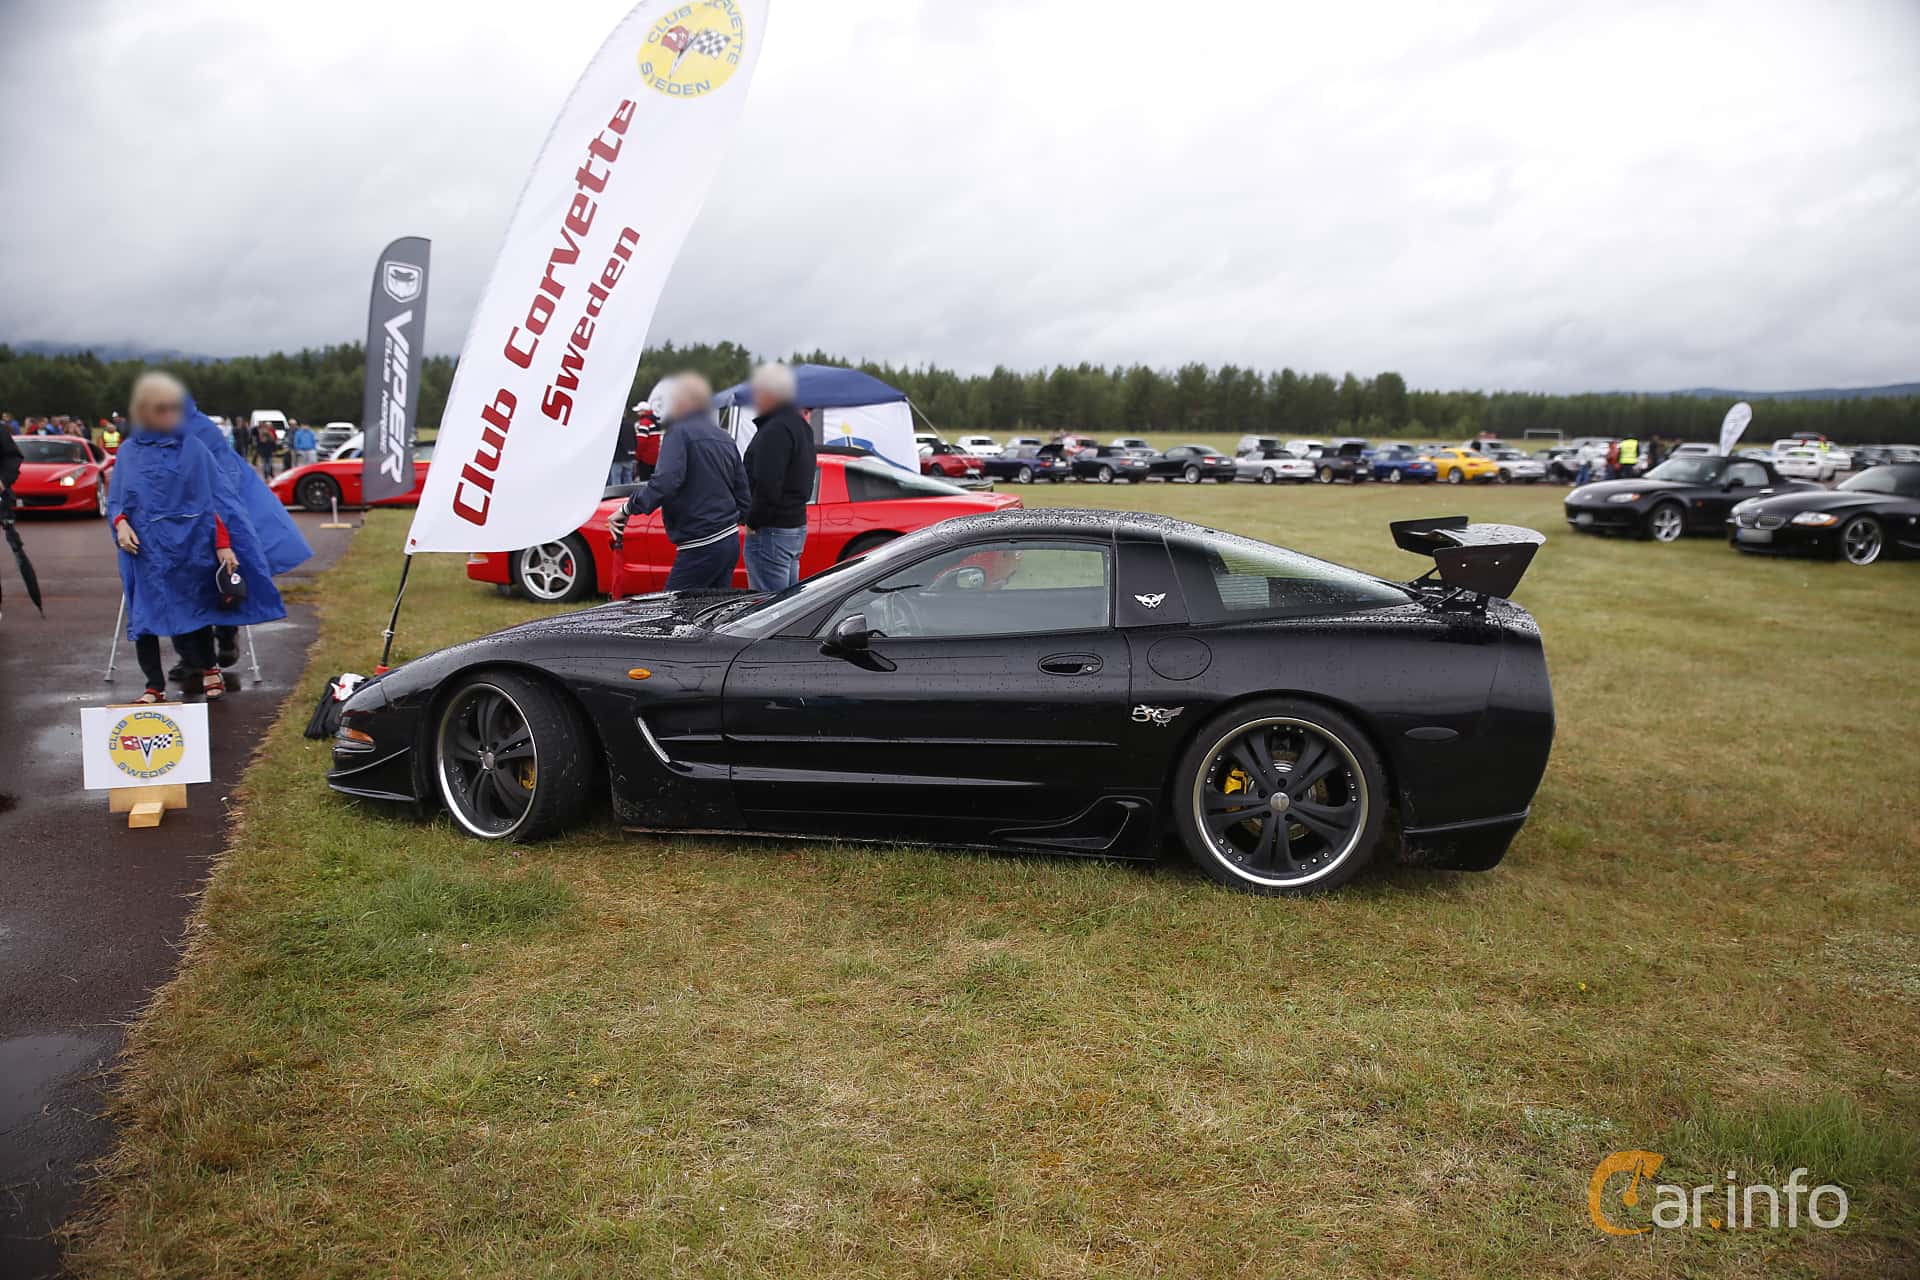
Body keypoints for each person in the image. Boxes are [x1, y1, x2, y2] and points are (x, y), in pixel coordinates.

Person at [109, 372, 287, 702]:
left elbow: (216, 499)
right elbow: (118, 498)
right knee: (144, 615)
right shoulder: (129, 452)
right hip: (144, 548)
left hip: (189, 544)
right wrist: (120, 523)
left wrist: (223, 543)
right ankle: (153, 686)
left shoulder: (193, 448)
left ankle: (209, 668)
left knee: (192, 607)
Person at [180, 394, 312, 669]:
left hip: (218, 519)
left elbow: (225, 479)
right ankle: (192, 657)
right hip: (181, 524)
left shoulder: (201, 429)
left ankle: (226, 636)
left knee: (219, 583)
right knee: (183, 591)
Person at [606, 373, 748, 591]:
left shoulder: (679, 432)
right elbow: (742, 489)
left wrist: (627, 508)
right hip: (728, 539)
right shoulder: (724, 436)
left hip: (701, 541)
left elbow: (665, 482)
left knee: (675, 610)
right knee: (712, 614)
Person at [740, 362, 815, 592]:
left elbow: (768, 485)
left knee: (769, 610)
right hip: (794, 525)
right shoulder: (800, 426)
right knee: (788, 602)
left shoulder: (774, 431)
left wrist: (752, 521)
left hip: (771, 530)